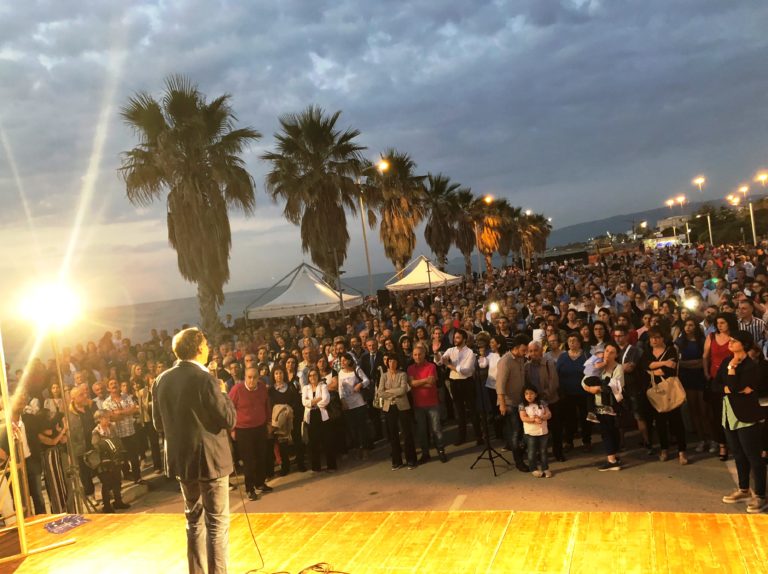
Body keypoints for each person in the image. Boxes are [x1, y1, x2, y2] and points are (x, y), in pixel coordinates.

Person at [153, 328, 237, 574]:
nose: (209, 348)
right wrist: (223, 392)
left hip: (182, 461)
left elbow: (158, 424)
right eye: (207, 344)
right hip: (210, 460)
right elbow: (229, 419)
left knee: (193, 520)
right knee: (217, 524)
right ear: (200, 349)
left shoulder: (162, 380)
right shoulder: (206, 379)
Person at [717, 331, 767, 513]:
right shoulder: (725, 361)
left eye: (734, 340)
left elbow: (732, 386)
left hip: (746, 415)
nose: (730, 342)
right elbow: (716, 385)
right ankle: (743, 489)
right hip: (728, 413)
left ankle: (760, 495)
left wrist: (731, 372)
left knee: (753, 457)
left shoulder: (751, 366)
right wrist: (730, 385)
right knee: (738, 454)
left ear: (744, 344)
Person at [641, 328, 688, 465]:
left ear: (663, 338)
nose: (654, 340)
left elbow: (669, 369)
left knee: (676, 421)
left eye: (657, 337)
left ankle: (682, 451)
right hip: (655, 391)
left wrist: (653, 370)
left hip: (670, 389)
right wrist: (662, 364)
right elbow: (645, 365)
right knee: (660, 421)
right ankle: (664, 449)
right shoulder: (648, 351)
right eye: (651, 338)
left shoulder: (671, 350)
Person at [229, 368, 272, 500]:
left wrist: (269, 422)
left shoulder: (262, 388)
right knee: (248, 460)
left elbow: (266, 405)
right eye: (249, 377)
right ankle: (249, 488)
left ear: (259, 377)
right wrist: (232, 429)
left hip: (259, 427)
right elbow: (229, 409)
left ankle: (260, 483)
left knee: (261, 457)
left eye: (254, 377)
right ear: (245, 377)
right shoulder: (237, 389)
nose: (252, 380)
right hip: (243, 430)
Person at [584, 342, 625, 471]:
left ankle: (612, 460)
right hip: (597, 404)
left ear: (616, 355)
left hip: (611, 405)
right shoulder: (598, 366)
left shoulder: (618, 368)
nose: (608, 354)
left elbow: (617, 385)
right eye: (607, 351)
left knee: (610, 431)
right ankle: (612, 457)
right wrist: (589, 388)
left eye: (612, 352)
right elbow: (584, 379)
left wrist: (599, 388)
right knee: (606, 431)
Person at [703, 312, 739, 460]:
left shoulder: (736, 338)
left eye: (723, 322)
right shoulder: (711, 337)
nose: (719, 325)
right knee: (717, 414)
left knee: (734, 412)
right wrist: (706, 373)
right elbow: (705, 356)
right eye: (718, 323)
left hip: (732, 380)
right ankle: (722, 445)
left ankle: (736, 444)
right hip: (715, 380)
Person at [675, 317, 712, 453]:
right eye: (686, 325)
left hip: (701, 378)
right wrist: (694, 363)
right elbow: (678, 362)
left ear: (696, 327)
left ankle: (712, 438)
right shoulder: (680, 342)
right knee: (694, 410)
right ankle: (702, 439)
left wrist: (690, 363)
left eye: (691, 325)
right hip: (687, 378)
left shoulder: (702, 341)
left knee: (704, 411)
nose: (688, 327)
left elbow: (704, 360)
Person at [496, 334, 530, 472]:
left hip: (520, 400)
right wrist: (502, 404)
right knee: (515, 432)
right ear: (515, 348)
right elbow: (500, 385)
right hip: (509, 403)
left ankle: (523, 453)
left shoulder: (521, 359)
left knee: (522, 431)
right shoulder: (505, 361)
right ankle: (519, 461)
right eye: (523, 350)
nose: (525, 352)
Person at [408, 344, 447, 464]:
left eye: (420, 354)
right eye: (415, 354)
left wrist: (417, 382)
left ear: (424, 354)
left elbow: (431, 383)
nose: (417, 356)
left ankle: (441, 451)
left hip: (432, 403)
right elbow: (411, 384)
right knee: (422, 431)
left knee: (436, 429)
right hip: (418, 404)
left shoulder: (431, 366)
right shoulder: (410, 368)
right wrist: (424, 381)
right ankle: (426, 454)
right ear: (412, 356)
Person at [441, 329, 481, 446]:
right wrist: (439, 357)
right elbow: (439, 361)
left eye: (458, 337)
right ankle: (462, 437)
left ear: (464, 339)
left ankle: (479, 436)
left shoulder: (470, 352)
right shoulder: (450, 350)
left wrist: (449, 365)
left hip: (466, 382)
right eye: (454, 337)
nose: (455, 339)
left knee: (473, 410)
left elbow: (465, 370)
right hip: (454, 382)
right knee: (459, 411)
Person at [525, 341, 563, 461]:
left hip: (551, 400)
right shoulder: (527, 366)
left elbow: (554, 382)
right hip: (535, 403)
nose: (533, 353)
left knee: (556, 429)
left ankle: (558, 453)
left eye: (536, 350)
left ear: (541, 351)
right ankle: (540, 454)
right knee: (537, 430)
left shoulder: (548, 363)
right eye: (530, 351)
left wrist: (545, 395)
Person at [378, 354, 417, 470]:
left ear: (397, 363)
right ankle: (397, 461)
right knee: (393, 435)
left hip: (403, 406)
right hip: (389, 407)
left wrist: (389, 391)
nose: (392, 364)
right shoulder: (384, 376)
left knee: (407, 433)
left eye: (394, 361)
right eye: (390, 361)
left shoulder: (402, 374)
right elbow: (380, 392)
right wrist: (393, 393)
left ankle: (411, 459)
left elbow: (403, 389)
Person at [556, 333, 592, 452]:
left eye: (574, 340)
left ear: (580, 342)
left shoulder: (587, 356)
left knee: (585, 418)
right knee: (569, 418)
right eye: (569, 341)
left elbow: (592, 374)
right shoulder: (562, 357)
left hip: (584, 392)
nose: (571, 343)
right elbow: (557, 373)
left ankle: (586, 441)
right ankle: (569, 441)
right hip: (567, 393)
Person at [91, 409, 130, 513]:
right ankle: (107, 506)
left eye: (108, 417)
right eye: (105, 418)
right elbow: (96, 445)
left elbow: (117, 439)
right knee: (107, 483)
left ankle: (118, 501)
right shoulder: (96, 432)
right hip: (105, 461)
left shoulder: (111, 427)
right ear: (99, 419)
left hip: (115, 458)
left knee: (117, 480)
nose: (108, 420)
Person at [301, 367, 337, 473]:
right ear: (308, 377)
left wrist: (312, 403)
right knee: (313, 443)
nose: (313, 377)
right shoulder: (305, 388)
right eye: (310, 375)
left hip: (322, 416)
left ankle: (332, 466)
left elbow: (326, 400)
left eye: (315, 375)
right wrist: (316, 401)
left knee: (327, 441)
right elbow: (304, 402)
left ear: (318, 376)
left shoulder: (323, 386)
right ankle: (316, 467)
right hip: (310, 417)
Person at [337, 353, 371, 460]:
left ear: (349, 360)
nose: (342, 362)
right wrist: (342, 401)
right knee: (352, 428)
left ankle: (365, 449)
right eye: (341, 360)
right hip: (348, 403)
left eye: (344, 360)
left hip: (359, 401)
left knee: (362, 427)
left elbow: (366, 380)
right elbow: (339, 389)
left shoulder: (356, 369)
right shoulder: (340, 373)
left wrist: (360, 385)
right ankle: (358, 448)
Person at [519, 384, 552, 478]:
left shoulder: (542, 403)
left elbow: (549, 414)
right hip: (530, 433)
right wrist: (533, 420)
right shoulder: (522, 405)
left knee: (543, 451)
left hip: (543, 431)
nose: (529, 396)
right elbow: (523, 418)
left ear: (536, 394)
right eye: (526, 394)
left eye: (531, 393)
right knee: (532, 451)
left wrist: (543, 417)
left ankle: (545, 468)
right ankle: (533, 468)